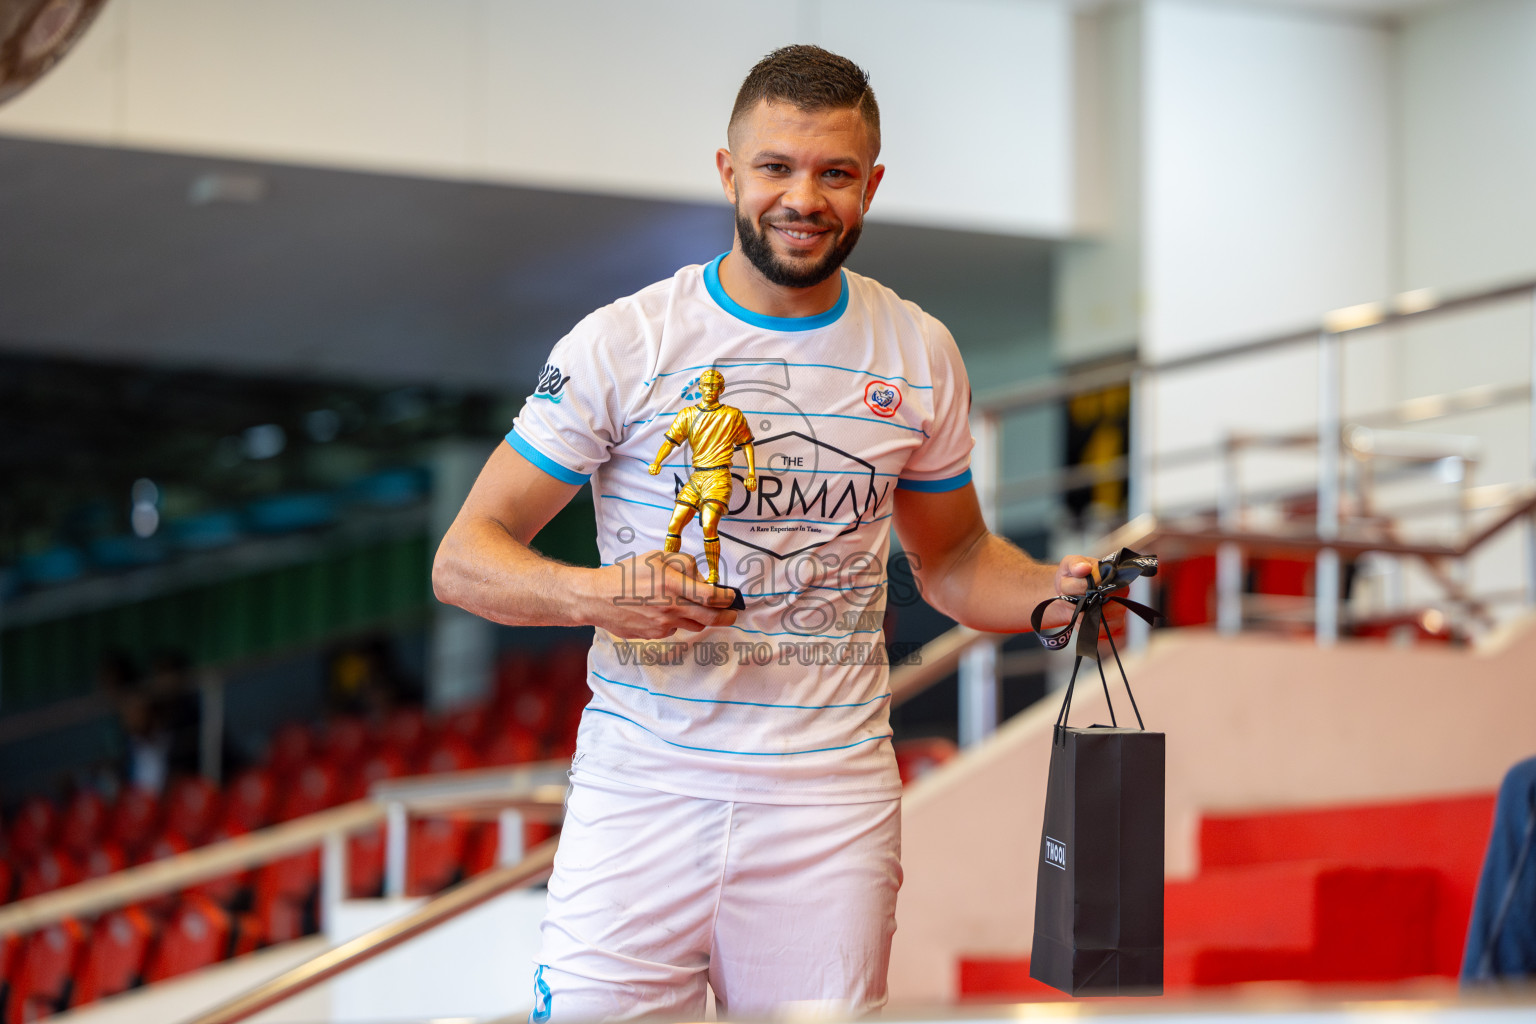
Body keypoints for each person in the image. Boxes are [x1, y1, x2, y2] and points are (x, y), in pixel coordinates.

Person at [433, 44, 1093, 1021]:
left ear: (870, 186)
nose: (804, 197)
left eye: (833, 174)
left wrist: (1058, 591)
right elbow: (465, 556)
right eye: (777, 167)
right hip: (642, 786)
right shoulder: (627, 342)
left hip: (827, 799)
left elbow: (954, 562)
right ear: (729, 173)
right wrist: (600, 594)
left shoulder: (917, 350)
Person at [648, 367, 757, 585]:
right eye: (706, 385)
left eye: (714, 386)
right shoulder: (687, 414)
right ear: (699, 388)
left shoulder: (732, 415)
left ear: (721, 389)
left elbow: (746, 444)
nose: (709, 390)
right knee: (674, 525)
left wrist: (752, 473)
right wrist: (657, 461)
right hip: (697, 478)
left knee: (708, 524)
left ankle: (714, 574)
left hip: (718, 477)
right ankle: (669, 572)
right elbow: (670, 442)